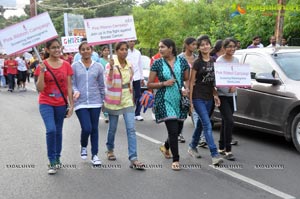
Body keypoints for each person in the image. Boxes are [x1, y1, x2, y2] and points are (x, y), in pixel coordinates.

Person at [147, 38, 190, 170]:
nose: (160, 49)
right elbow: (149, 83)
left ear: (171, 48)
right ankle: (176, 160)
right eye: (159, 47)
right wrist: (163, 83)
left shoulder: (182, 61)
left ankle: (166, 146)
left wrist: (186, 90)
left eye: (163, 47)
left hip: (179, 100)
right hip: (164, 100)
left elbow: (187, 79)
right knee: (172, 129)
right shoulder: (157, 63)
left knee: (177, 130)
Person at [35, 38, 74, 175]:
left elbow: (69, 86)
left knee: (58, 131)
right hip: (46, 102)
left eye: (58, 47)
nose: (57, 50)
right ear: (47, 50)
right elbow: (40, 88)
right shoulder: (42, 65)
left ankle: (57, 157)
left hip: (61, 104)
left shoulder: (66, 65)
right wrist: (41, 72)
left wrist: (71, 105)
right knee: (51, 130)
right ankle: (51, 160)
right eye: (53, 48)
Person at [104, 42, 145, 170]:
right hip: (114, 100)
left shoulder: (129, 65)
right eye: (121, 49)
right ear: (116, 51)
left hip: (127, 99)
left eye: (126, 49)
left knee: (131, 129)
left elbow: (131, 81)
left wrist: (133, 97)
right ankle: (110, 149)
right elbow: (108, 83)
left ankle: (134, 158)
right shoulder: (110, 64)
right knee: (113, 128)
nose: (124, 51)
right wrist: (111, 69)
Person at [188, 35, 223, 165]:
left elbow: (212, 81)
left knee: (201, 124)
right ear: (199, 47)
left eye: (207, 44)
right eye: (202, 45)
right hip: (198, 97)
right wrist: (191, 101)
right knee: (208, 125)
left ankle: (192, 146)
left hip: (209, 98)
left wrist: (216, 95)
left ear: (210, 45)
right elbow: (192, 82)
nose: (205, 46)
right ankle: (214, 154)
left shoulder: (214, 61)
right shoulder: (197, 62)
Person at [72, 41, 105, 166]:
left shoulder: (98, 66)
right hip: (80, 102)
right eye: (83, 49)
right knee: (86, 128)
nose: (86, 51)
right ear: (79, 51)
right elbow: (72, 82)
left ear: (92, 51)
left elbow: (102, 85)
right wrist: (75, 91)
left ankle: (95, 155)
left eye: (88, 49)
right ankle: (84, 145)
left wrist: (103, 101)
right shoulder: (74, 66)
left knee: (94, 128)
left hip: (95, 101)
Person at [216, 38, 239, 161]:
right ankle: (228, 150)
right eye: (229, 46)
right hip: (222, 96)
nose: (232, 49)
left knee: (226, 121)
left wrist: (235, 85)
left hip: (233, 96)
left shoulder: (236, 60)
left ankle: (221, 146)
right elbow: (219, 80)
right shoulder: (220, 61)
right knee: (230, 121)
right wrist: (227, 88)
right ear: (224, 48)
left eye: (234, 46)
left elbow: (238, 76)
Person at [177, 37, 198, 143]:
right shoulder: (179, 58)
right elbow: (177, 74)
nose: (195, 46)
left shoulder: (197, 58)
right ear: (186, 45)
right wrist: (184, 88)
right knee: (183, 111)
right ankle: (179, 133)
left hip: (195, 88)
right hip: (183, 88)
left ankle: (199, 137)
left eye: (196, 44)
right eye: (193, 44)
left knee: (196, 112)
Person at [126, 40, 144, 121]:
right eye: (130, 41)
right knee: (128, 95)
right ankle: (128, 112)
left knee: (138, 95)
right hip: (127, 77)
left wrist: (142, 77)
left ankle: (137, 113)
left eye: (133, 41)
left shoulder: (138, 53)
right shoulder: (125, 52)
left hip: (137, 77)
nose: (132, 43)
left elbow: (140, 65)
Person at [99, 45, 110, 123]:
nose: (106, 52)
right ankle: (106, 114)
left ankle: (109, 112)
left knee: (109, 99)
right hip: (102, 81)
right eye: (105, 50)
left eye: (107, 50)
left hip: (110, 81)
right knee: (104, 99)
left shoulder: (111, 60)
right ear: (102, 52)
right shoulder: (99, 61)